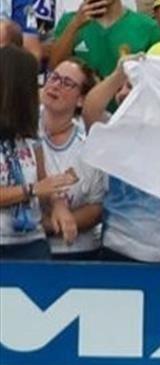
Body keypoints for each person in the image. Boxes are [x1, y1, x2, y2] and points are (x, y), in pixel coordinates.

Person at [1, 45, 76, 260]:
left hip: (31, 242)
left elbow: (43, 180)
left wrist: (59, 205)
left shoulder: (31, 135)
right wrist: (32, 190)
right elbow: (37, 187)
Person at [39, 57, 107, 259]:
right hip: (25, 246)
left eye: (67, 83)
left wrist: (54, 226)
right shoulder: (23, 126)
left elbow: (96, 207)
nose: (56, 86)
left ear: (81, 99)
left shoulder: (91, 142)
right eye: (54, 77)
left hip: (77, 251)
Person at [50, 0, 160, 76]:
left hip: (127, 109)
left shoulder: (149, 28)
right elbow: (55, 68)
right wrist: (74, 25)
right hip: (79, 109)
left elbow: (157, 79)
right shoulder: (69, 21)